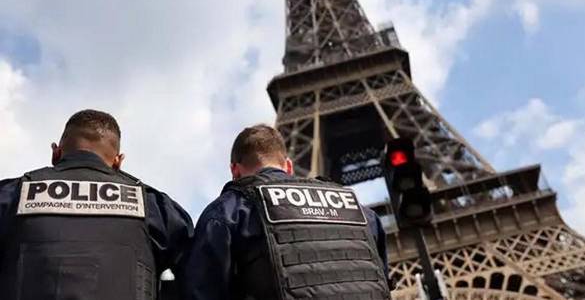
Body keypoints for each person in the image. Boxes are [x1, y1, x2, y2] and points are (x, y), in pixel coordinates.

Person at [0, 109, 194, 300]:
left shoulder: (11, 195)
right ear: (118, 162)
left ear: (56, 153)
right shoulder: (156, 208)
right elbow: (198, 276)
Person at [182, 124, 391, 300]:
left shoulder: (228, 211)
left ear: (235, 170)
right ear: (288, 166)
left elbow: (202, 291)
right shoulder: (363, 214)